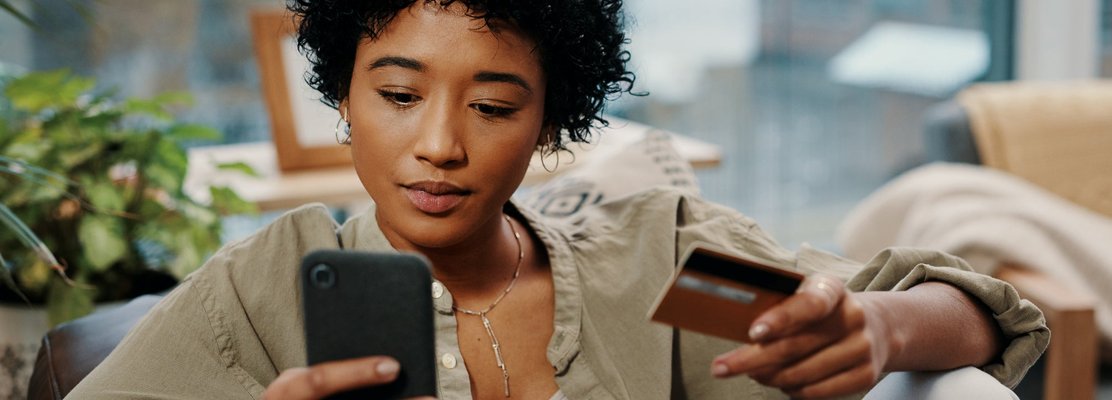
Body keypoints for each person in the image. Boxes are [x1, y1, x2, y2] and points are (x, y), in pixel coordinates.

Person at [68, 1, 1048, 399]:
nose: (440, 145)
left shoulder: (655, 274)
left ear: (547, 122)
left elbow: (975, 316)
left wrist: (878, 328)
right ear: (346, 99)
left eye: (494, 105)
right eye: (399, 96)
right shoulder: (259, 296)